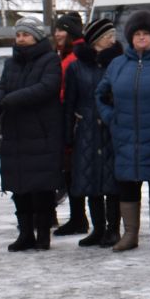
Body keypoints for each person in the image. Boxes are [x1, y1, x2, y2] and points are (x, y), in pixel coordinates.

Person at [0, 17, 64, 252]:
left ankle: (42, 235)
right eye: (18, 34)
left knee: (41, 188)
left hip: (41, 133)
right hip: (15, 133)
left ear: (37, 37)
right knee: (19, 187)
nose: (21, 38)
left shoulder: (50, 60)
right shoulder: (12, 63)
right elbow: (2, 85)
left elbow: (46, 88)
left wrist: (12, 99)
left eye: (26, 34)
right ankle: (25, 233)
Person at [99, 10, 150, 252]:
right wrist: (112, 118)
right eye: (137, 34)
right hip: (125, 134)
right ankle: (130, 234)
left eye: (146, 34)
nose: (141, 38)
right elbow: (100, 94)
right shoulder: (118, 64)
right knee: (127, 184)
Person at [63, 17, 121, 248]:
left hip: (110, 127)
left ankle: (113, 229)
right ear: (97, 40)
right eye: (108, 36)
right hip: (86, 128)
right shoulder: (76, 67)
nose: (113, 40)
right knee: (91, 179)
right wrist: (68, 132)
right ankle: (97, 229)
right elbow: (70, 101)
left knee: (112, 181)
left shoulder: (116, 63)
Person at [51, 12, 89, 237]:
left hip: (70, 119)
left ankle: (78, 218)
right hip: (67, 117)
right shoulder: (66, 54)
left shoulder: (73, 57)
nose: (57, 33)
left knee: (73, 171)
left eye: (62, 29)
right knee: (70, 171)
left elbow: (65, 90)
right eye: (56, 29)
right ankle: (78, 217)